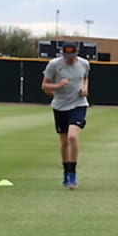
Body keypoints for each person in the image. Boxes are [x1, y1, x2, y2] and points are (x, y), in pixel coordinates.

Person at [42, 42, 90, 189]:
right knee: (63, 140)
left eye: (72, 55)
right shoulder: (54, 65)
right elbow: (45, 86)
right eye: (66, 55)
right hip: (60, 106)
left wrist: (85, 88)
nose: (69, 58)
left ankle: (73, 173)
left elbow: (86, 77)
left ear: (77, 52)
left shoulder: (84, 63)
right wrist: (58, 85)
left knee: (72, 137)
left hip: (79, 104)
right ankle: (65, 171)